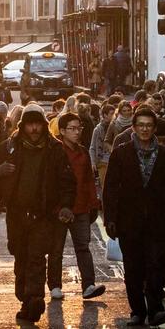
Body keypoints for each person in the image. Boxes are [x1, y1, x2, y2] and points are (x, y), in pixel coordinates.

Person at [0, 103, 76, 323]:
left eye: (37, 124)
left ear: (44, 125)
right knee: (20, 254)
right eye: (29, 124)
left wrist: (66, 205)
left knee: (37, 257)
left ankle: (35, 297)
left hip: (43, 214)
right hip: (17, 213)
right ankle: (25, 298)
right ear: (22, 126)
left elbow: (68, 181)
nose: (34, 129)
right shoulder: (10, 146)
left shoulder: (55, 149)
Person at [103, 106, 165, 327]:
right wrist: (110, 217)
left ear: (154, 128)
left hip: (158, 222)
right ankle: (137, 311)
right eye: (141, 125)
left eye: (149, 125)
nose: (145, 129)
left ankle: (155, 308)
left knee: (157, 265)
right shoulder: (121, 152)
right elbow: (110, 188)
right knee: (134, 268)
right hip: (129, 222)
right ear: (134, 128)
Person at [50, 112, 106, 301]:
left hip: (81, 207)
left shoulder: (82, 152)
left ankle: (88, 285)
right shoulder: (54, 151)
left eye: (79, 128)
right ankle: (55, 286)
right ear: (63, 131)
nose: (77, 132)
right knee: (56, 249)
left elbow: (89, 180)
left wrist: (94, 204)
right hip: (59, 209)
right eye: (72, 129)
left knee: (83, 247)